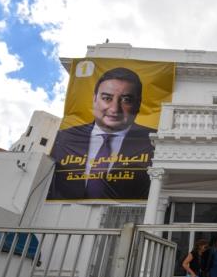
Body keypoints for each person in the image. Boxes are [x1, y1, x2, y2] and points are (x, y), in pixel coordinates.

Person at [48, 67, 156, 200]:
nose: (114, 108)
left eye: (126, 100)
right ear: (94, 99)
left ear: (138, 104)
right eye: (107, 98)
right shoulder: (65, 138)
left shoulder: (154, 141)